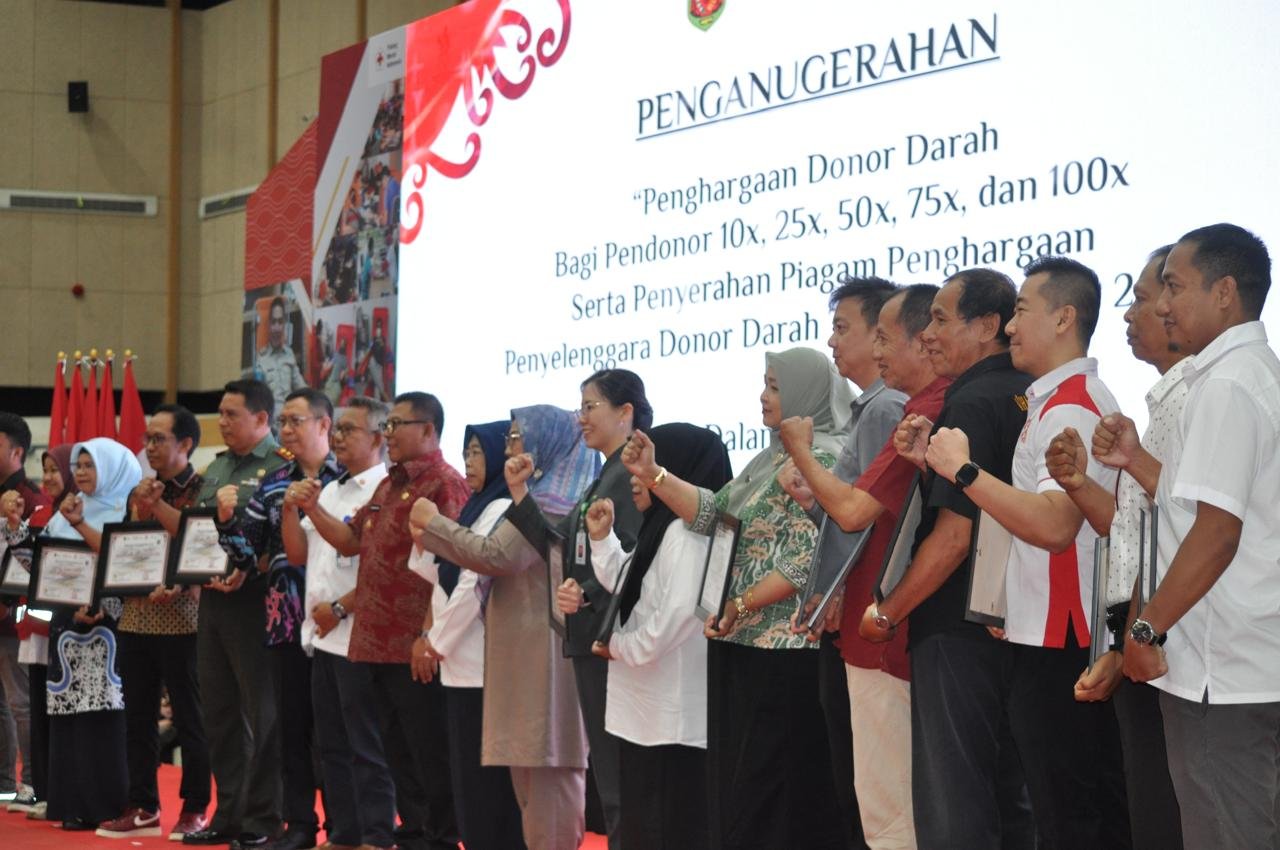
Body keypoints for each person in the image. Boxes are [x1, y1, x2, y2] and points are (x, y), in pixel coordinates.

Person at [925, 257, 1121, 848]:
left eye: (1021, 312)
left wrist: (963, 471)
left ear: (1064, 319)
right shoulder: (1052, 400)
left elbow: (1057, 525)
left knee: (1072, 816)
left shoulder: (1071, 406)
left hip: (1065, 638)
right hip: (1045, 633)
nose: (1010, 327)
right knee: (1060, 808)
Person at [623, 347, 852, 850]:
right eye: (765, 384)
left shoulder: (824, 460)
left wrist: (739, 606)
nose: (763, 395)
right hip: (742, 642)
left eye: (775, 386)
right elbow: (714, 513)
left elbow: (806, 559)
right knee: (744, 793)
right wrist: (653, 473)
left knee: (778, 798)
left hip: (785, 649)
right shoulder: (769, 459)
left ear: (805, 394)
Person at [1100, 223, 1280, 849]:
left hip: (1218, 669)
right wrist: (1137, 461)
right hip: (1238, 659)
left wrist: (1145, 629)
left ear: (1224, 292)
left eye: (1174, 286)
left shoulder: (1227, 384)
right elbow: (1204, 507)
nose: (1163, 305)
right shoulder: (1246, 374)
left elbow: (1217, 533)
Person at [780, 284, 951, 850]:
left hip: (881, 624)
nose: (872, 350)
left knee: (888, 805)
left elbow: (858, 514)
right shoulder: (899, 406)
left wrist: (800, 449)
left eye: (878, 335)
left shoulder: (894, 408)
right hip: (876, 617)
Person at [874, 268, 1035, 850]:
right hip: (1015, 624)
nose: (928, 334)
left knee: (955, 801)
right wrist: (928, 464)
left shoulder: (968, 400)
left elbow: (954, 537)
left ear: (987, 326)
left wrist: (888, 612)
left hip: (956, 626)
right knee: (1010, 797)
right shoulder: (1027, 393)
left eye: (941, 320)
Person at [1044, 246, 1185, 850]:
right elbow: (1132, 530)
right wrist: (1079, 484)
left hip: (1176, 646)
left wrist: (1135, 637)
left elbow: (1202, 523)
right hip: (1144, 642)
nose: (1129, 315)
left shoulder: (1208, 397)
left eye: (1146, 298)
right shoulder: (1163, 404)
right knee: (1151, 813)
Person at [411, 405, 598, 850]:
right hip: (524, 660)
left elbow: (497, 555)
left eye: (518, 438)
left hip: (547, 663)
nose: (510, 448)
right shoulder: (534, 497)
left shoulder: (554, 501)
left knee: (548, 797)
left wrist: (433, 523)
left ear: (544, 445)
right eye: (510, 438)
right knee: (531, 797)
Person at [299, 391, 469, 850]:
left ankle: (440, 839)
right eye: (387, 425)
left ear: (428, 430)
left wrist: (428, 634)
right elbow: (351, 542)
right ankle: (411, 835)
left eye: (396, 425)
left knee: (428, 752)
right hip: (374, 642)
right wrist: (312, 509)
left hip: (415, 644)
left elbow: (452, 567)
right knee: (395, 752)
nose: (388, 433)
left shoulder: (444, 484)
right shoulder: (389, 485)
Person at [564, 423, 732, 850]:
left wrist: (616, 647)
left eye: (647, 469)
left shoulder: (686, 535)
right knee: (647, 826)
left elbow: (670, 622)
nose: (635, 481)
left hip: (670, 720)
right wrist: (602, 541)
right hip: (648, 713)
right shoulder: (663, 527)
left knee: (668, 829)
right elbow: (632, 587)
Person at [504, 369, 651, 850]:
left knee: (620, 777)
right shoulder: (603, 475)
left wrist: (585, 592)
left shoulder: (629, 473)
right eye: (580, 407)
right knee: (611, 776)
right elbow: (559, 543)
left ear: (625, 412)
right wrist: (521, 494)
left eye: (590, 406)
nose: (580, 417)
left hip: (612, 641)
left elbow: (634, 556)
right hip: (592, 639)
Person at [215, 388, 342, 850]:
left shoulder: (348, 479)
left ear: (324, 424)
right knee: (290, 726)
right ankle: (300, 823)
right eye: (283, 421)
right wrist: (226, 522)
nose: (286, 430)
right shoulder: (272, 483)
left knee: (338, 728)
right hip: (286, 618)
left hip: (339, 621)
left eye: (296, 421)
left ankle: (345, 825)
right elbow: (247, 557)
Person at [8, 439, 142, 829]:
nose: (81, 472)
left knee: (102, 718)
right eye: (78, 466)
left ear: (111, 469)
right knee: (67, 717)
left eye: (90, 465)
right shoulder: (67, 511)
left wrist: (101, 604)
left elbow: (124, 567)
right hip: (67, 625)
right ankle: (72, 804)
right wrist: (15, 529)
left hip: (106, 626)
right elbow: (38, 567)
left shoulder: (125, 509)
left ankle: (104, 804)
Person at [281, 398, 396, 850]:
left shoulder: (384, 491)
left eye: (350, 430)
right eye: (339, 430)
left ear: (378, 437)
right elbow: (298, 555)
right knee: (330, 745)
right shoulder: (329, 489)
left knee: (366, 744)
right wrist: (290, 510)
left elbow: (382, 569)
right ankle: (345, 833)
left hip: (359, 634)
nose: (339, 438)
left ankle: (377, 834)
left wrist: (341, 609)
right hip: (323, 637)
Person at [406, 420, 525, 850]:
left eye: (477, 452)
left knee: (484, 788)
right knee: (467, 783)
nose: (469, 461)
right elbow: (443, 574)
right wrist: (423, 540)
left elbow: (473, 585)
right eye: (466, 452)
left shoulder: (500, 506)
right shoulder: (477, 506)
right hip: (460, 662)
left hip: (480, 663)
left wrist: (434, 642)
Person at [183, 379, 291, 848]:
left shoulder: (281, 467)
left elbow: (283, 539)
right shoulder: (217, 465)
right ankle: (229, 814)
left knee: (262, 713)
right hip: (213, 600)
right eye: (221, 413)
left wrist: (251, 569)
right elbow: (197, 533)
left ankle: (263, 820)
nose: (222, 422)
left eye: (232, 414)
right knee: (220, 712)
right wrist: (190, 575)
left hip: (257, 601)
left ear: (262, 418)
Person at [96, 404, 212, 841]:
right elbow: (129, 548)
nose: (149, 447)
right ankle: (143, 805)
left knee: (190, 719)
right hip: (137, 618)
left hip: (185, 621)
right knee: (138, 718)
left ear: (186, 444)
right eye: (147, 439)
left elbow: (194, 540)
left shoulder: (202, 488)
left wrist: (156, 504)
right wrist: (141, 507)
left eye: (159, 439)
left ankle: (195, 808)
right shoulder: (139, 491)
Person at [0, 413, 50, 810]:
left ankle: (33, 781)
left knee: (21, 702)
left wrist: (7, 604)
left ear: (17, 451)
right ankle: (4, 783)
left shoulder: (32, 498)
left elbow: (32, 563)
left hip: (14, 614)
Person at [251, 296, 306, 416]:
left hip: (291, 417)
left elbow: (301, 388)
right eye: (273, 322)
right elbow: (258, 400)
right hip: (273, 420)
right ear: (269, 325)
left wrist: (314, 399)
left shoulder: (289, 354)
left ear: (284, 325)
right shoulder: (261, 359)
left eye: (280, 322)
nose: (276, 328)